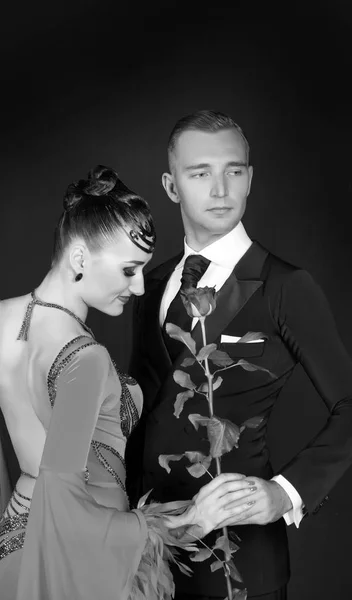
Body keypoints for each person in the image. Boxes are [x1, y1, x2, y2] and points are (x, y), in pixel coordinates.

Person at [127, 110, 352, 600]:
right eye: (200, 173)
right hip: (149, 551)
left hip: (240, 562)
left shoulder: (286, 286)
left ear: (250, 179)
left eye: (234, 171)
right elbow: (138, 411)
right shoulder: (148, 283)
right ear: (171, 185)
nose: (220, 189)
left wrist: (285, 493)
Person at [0, 164, 258, 600]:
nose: (139, 286)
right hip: (87, 567)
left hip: (13, 543)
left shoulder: (3, 318)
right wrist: (190, 520)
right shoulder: (85, 359)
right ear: (79, 257)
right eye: (128, 270)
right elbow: (64, 505)